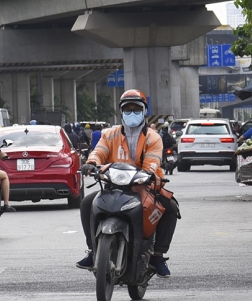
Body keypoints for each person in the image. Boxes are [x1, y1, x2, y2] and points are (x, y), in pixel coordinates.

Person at [77, 89, 179, 277]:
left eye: (136, 109)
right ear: (121, 112)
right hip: (114, 185)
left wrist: (148, 173)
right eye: (127, 109)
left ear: (144, 111)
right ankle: (93, 251)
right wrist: (91, 163)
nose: (132, 113)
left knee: (171, 207)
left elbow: (152, 162)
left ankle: (157, 255)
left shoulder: (153, 137)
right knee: (86, 204)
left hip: (145, 185)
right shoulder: (110, 134)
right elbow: (99, 152)